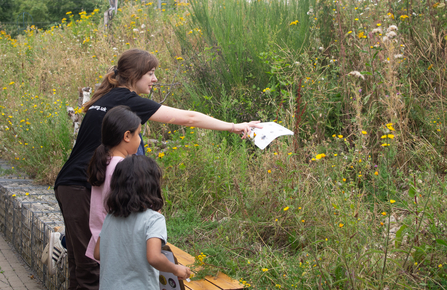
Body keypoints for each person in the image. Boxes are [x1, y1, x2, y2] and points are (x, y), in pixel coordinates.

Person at [53, 48, 261, 290]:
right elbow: (189, 118)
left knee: (80, 265)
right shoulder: (126, 101)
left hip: (72, 184)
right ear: (134, 75)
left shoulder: (107, 98)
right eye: (150, 73)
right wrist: (234, 126)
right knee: (89, 270)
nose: (154, 79)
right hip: (81, 187)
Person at [93, 155, 191, 289]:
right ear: (152, 186)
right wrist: (175, 269)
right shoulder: (153, 219)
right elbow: (154, 257)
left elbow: (97, 253)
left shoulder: (111, 217)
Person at [85, 105, 142, 262]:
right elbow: (125, 204)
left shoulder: (104, 161)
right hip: (116, 242)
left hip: (102, 237)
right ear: (127, 136)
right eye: (138, 134)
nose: (140, 140)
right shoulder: (121, 166)